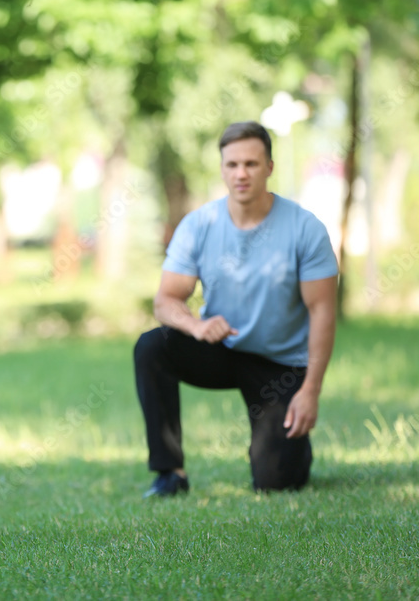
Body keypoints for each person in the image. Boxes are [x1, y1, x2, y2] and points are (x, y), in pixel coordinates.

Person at [133, 120, 338, 496]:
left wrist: (311, 389)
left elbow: (322, 312)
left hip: (281, 364)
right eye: (232, 165)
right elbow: (165, 300)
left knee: (277, 483)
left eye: (251, 164)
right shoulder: (200, 224)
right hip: (222, 349)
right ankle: (169, 473)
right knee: (152, 347)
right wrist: (196, 327)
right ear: (222, 168)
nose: (241, 173)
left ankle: (290, 450)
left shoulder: (305, 229)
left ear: (270, 168)